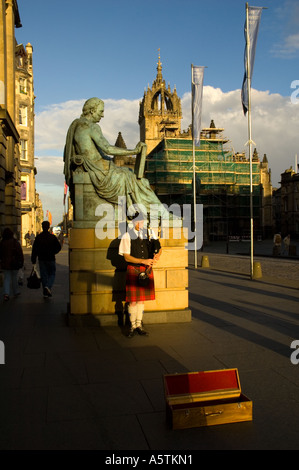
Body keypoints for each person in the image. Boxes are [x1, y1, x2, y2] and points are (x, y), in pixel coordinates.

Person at [63, 97, 169, 219]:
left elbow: (94, 151)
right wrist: (134, 151)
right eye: (101, 111)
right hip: (99, 171)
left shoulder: (77, 125)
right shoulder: (91, 127)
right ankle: (160, 214)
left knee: (130, 174)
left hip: (95, 167)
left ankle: (149, 211)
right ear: (92, 111)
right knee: (138, 180)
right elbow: (107, 148)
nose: (102, 115)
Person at [119, 211, 162, 337]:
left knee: (141, 301)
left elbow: (159, 247)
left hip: (146, 270)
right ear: (133, 222)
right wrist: (143, 260)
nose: (140, 224)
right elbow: (126, 257)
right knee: (132, 301)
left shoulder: (150, 233)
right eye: (138, 222)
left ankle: (139, 325)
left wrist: (157, 255)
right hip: (134, 269)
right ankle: (132, 326)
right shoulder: (127, 236)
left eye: (142, 221)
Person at [31, 221, 61, 298]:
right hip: (51, 258)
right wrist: (54, 252)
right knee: (52, 274)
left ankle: (45, 292)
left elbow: (34, 249)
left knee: (43, 275)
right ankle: (48, 286)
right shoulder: (52, 237)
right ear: (48, 227)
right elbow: (58, 247)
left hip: (42, 259)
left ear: (42, 227)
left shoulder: (38, 237)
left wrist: (33, 259)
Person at [0, 228, 24, 301]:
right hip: (14, 263)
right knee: (14, 278)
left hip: (5, 264)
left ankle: (6, 294)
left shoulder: (2, 243)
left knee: (6, 278)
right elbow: (20, 253)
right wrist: (21, 262)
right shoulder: (15, 242)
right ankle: (15, 291)